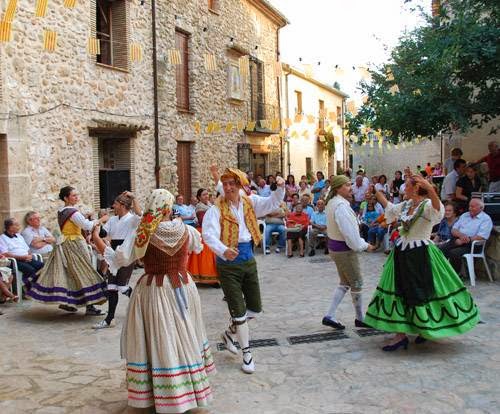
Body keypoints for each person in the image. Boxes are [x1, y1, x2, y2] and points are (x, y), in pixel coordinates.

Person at [92, 189, 215, 413]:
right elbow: (197, 247)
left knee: (161, 337)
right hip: (183, 285)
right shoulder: (186, 229)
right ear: (169, 207)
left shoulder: (144, 233)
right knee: (184, 333)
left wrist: (98, 241)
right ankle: (185, 391)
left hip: (155, 290)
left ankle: (164, 393)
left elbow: (120, 259)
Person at [364, 174, 480, 351]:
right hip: (403, 252)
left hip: (420, 255)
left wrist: (431, 189)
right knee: (400, 290)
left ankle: (423, 328)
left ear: (417, 188)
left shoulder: (427, 206)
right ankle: (401, 334)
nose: (404, 188)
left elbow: (438, 209)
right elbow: (391, 208)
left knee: (422, 290)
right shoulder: (408, 205)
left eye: (407, 186)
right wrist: (377, 192)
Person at [203, 168, 285, 374]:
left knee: (255, 309)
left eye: (233, 183)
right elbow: (209, 234)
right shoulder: (216, 209)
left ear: (240, 185)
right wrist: (223, 250)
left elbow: (272, 203)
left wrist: (280, 188)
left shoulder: (250, 201)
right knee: (239, 312)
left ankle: (230, 334)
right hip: (228, 264)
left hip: (248, 258)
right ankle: (247, 354)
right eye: (226, 184)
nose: (229, 187)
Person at [26, 186, 108, 315]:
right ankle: (90, 306)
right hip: (74, 244)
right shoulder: (72, 212)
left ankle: (69, 303)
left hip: (65, 243)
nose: (76, 197)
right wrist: (101, 220)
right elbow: (86, 225)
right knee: (84, 271)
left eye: (77, 195)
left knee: (69, 273)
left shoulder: (62, 211)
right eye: (73, 195)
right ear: (66, 198)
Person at [322, 175, 375, 331]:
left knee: (345, 282)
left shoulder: (332, 203)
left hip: (335, 248)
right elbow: (350, 235)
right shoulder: (341, 206)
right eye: (347, 185)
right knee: (357, 283)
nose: (350, 187)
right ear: (338, 188)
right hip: (344, 250)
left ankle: (329, 315)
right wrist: (365, 246)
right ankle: (360, 318)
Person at [93, 192, 142, 329]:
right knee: (111, 287)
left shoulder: (132, 219)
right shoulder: (113, 220)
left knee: (122, 286)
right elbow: (105, 233)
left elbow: (140, 214)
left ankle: (142, 306)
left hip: (126, 253)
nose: (113, 206)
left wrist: (134, 198)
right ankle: (109, 319)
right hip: (113, 253)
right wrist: (97, 226)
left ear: (122, 205)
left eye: (115, 203)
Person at [439, 198, 493, 273]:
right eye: (469, 206)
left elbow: (482, 236)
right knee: (441, 249)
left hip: (472, 244)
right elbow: (454, 230)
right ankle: (442, 272)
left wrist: (464, 240)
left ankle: (456, 275)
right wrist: (461, 236)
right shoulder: (465, 215)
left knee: (453, 252)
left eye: (472, 206)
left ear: (481, 208)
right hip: (457, 239)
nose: (470, 208)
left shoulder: (486, 219)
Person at [1, 217, 44, 294]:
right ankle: (29, 289)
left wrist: (29, 256)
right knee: (30, 270)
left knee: (42, 266)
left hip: (26, 258)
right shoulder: (2, 238)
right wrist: (22, 257)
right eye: (17, 225)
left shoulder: (19, 236)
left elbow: (27, 250)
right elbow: (5, 254)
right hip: (14, 260)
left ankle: (38, 288)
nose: (19, 227)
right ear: (10, 227)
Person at [188, 188, 219, 286]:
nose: (206, 196)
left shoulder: (209, 205)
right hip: (204, 232)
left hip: (211, 231)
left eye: (207, 194)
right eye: (204, 195)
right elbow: (202, 221)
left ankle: (215, 277)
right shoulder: (200, 207)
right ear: (199, 197)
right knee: (206, 256)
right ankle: (210, 278)